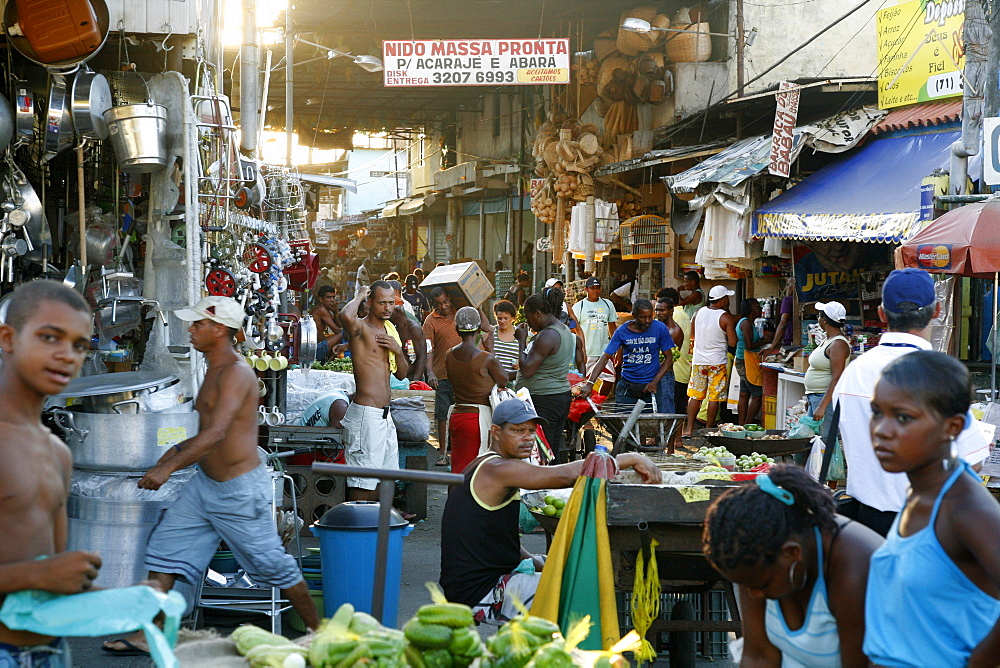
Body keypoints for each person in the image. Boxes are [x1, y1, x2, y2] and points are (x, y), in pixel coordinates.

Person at [106, 296, 319, 655]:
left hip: (238, 492)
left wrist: (167, 467)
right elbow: (204, 433)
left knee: (271, 565)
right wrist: (170, 456)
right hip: (204, 487)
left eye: (198, 324)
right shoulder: (213, 368)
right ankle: (150, 633)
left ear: (219, 330)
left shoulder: (236, 373)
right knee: (164, 551)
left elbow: (216, 434)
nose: (190, 329)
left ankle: (321, 633)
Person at [440, 399, 662, 625]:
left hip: (483, 580)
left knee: (568, 568)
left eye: (531, 431)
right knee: (582, 589)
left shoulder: (488, 465)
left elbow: (499, 540)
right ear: (496, 432)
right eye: (518, 431)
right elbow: (564, 475)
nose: (527, 437)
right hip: (481, 592)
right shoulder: (498, 469)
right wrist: (630, 458)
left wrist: (537, 562)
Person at [865, 351, 1000, 666]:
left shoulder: (965, 508)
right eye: (876, 412)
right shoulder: (920, 491)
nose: (882, 430)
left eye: (903, 417)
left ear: (951, 427)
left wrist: (979, 661)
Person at [832, 268, 989, 536]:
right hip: (923, 525)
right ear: (937, 310)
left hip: (864, 524)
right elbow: (972, 461)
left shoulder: (854, 372)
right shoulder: (938, 374)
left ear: (882, 314)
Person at [0, 282, 99, 666]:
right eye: (49, 337)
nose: (66, 356)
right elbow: (41, 574)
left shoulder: (58, 452)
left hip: (52, 652)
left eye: (79, 345)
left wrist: (134, 599)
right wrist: (39, 575)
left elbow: (52, 576)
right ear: (8, 338)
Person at [702, 465, 883, 667]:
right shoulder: (754, 555)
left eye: (761, 585)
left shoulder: (855, 567)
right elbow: (758, 656)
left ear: (791, 553)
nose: (754, 595)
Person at [338, 281, 410, 500]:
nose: (387, 308)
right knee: (363, 482)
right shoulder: (361, 329)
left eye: (391, 303)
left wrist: (397, 351)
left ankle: (374, 530)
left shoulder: (390, 331)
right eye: (381, 303)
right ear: (370, 303)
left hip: (385, 417)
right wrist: (359, 294)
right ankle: (356, 531)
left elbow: (402, 374)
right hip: (366, 416)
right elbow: (345, 317)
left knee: (384, 480)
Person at [424, 289, 491, 467]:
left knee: (465, 413)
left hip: (467, 374)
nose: (443, 306)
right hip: (443, 374)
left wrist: (477, 305)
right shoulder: (430, 321)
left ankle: (463, 451)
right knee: (443, 414)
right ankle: (442, 452)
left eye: (446, 302)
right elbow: (428, 349)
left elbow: (485, 328)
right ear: (433, 304)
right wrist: (430, 372)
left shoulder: (463, 314)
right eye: (439, 304)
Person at [446, 307, 510, 474]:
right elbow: (503, 379)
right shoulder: (486, 358)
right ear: (479, 328)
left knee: (458, 468)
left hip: (457, 415)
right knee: (477, 470)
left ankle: (454, 500)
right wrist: (491, 349)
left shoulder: (448, 355)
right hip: (477, 418)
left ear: (456, 329)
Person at [514, 289, 575, 463]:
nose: (528, 322)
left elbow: (527, 370)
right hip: (558, 397)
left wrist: (521, 340)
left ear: (538, 314)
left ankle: (546, 486)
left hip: (545, 399)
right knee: (552, 450)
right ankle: (552, 485)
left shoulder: (547, 335)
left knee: (542, 453)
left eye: (528, 317)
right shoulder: (564, 330)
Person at [582, 299, 674, 413]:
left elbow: (669, 358)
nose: (648, 321)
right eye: (643, 317)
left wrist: (655, 381)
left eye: (650, 316)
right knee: (624, 425)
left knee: (648, 426)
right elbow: (605, 357)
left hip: (650, 388)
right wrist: (590, 383)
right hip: (627, 387)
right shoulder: (622, 331)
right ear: (634, 315)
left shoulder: (660, 328)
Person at [685, 285, 738, 435]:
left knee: (695, 395)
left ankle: (688, 428)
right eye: (726, 297)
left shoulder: (698, 313)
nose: (728, 300)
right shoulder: (725, 317)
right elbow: (733, 342)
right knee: (714, 397)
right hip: (717, 362)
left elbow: (692, 337)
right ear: (721, 300)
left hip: (698, 360)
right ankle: (708, 429)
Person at [803, 301, 850, 433]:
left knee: (825, 440)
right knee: (811, 438)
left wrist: (822, 405)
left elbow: (837, 377)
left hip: (825, 399)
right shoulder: (828, 340)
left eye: (819, 316)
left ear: (824, 320)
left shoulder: (838, 344)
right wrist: (811, 398)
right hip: (817, 397)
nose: (818, 319)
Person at [574, 276, 618, 395]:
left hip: (604, 351)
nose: (595, 290)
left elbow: (612, 327)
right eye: (592, 288)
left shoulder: (608, 304)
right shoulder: (578, 307)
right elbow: (573, 330)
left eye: (597, 288)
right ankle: (586, 407)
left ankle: (599, 403)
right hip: (587, 352)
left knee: (610, 379)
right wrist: (579, 350)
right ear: (586, 289)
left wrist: (617, 347)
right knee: (583, 383)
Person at [734, 298, 769, 425]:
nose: (760, 309)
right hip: (746, 361)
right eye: (757, 307)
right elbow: (749, 345)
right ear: (751, 309)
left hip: (743, 359)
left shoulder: (746, 322)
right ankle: (748, 424)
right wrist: (765, 341)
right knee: (757, 394)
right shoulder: (746, 323)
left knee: (744, 393)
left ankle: (741, 425)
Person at [654, 295, 684, 414]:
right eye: (656, 310)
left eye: (662, 310)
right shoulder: (657, 326)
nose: (658, 313)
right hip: (653, 374)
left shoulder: (674, 331)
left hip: (664, 376)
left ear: (671, 311)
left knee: (665, 410)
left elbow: (667, 359)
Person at [389, 301, 427, 382]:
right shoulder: (395, 327)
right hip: (399, 378)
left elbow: (422, 356)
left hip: (412, 377)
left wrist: (415, 380)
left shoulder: (413, 328)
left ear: (397, 312)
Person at [312, 284, 342, 362]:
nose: (332, 300)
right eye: (328, 297)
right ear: (321, 299)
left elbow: (339, 326)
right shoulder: (321, 309)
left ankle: (328, 360)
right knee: (345, 333)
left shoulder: (328, 311)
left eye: (333, 297)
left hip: (319, 346)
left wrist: (336, 313)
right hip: (316, 348)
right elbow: (338, 330)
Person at [492, 300, 520, 380]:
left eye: (506, 318)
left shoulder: (520, 334)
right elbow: (479, 355)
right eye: (499, 318)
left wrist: (520, 363)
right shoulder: (491, 333)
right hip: (493, 379)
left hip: (513, 380)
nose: (502, 321)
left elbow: (529, 358)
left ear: (513, 318)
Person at [768, 277, 796, 350]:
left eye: (788, 285)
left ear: (795, 285)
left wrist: (772, 346)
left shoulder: (788, 300)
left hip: (789, 341)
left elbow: (783, 323)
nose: (787, 288)